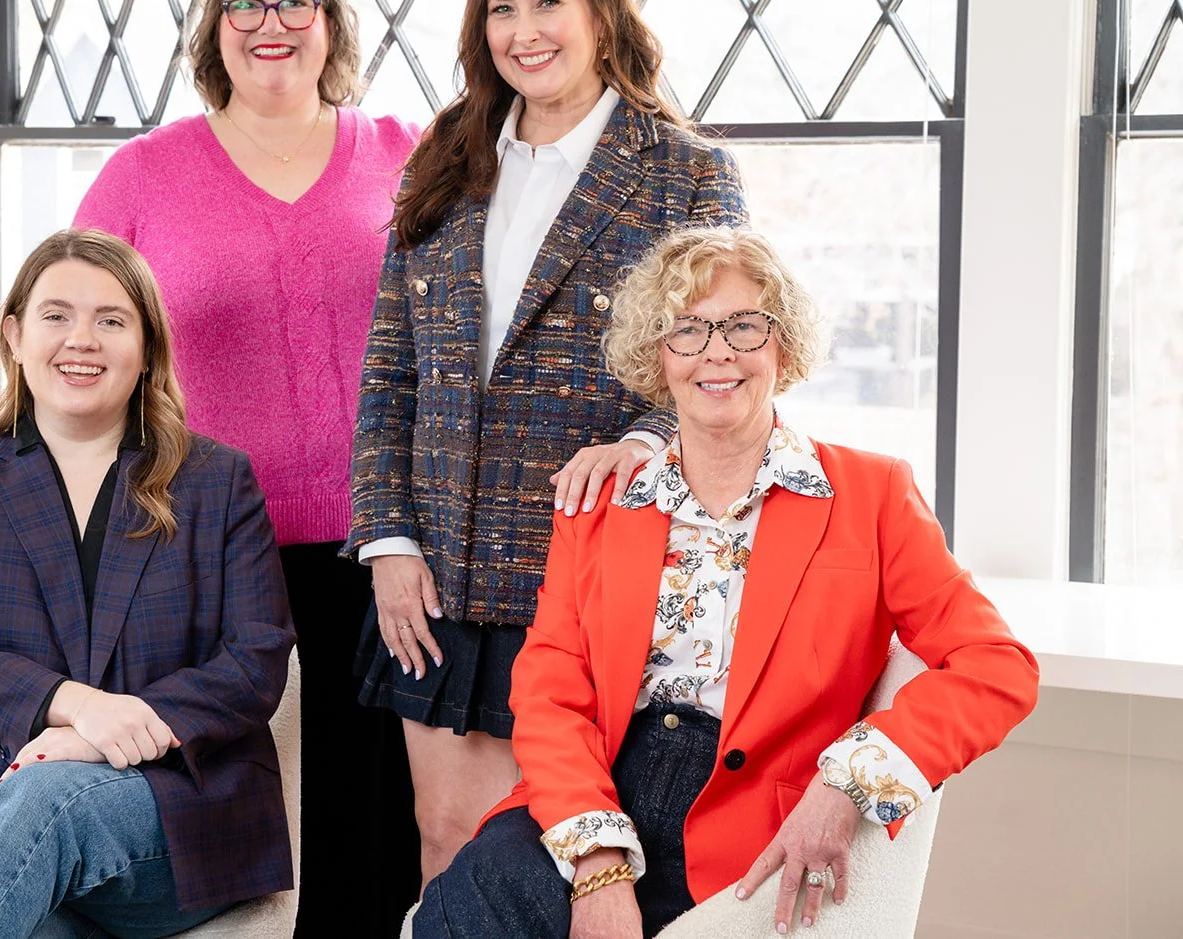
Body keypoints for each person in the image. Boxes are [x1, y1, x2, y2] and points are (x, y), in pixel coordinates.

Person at [414, 227, 1039, 937]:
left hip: (753, 820)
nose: (718, 351)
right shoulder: (599, 509)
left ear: (783, 343)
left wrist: (847, 782)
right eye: (687, 328)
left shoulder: (873, 493)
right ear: (659, 355)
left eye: (745, 325)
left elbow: (997, 667)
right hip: (597, 788)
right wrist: (598, 859)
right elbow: (549, 688)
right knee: (468, 914)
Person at [346, 0, 747, 889]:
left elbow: (726, 361)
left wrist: (648, 437)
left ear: (602, 15)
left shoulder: (687, 172)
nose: (523, 30)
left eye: (547, 3)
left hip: (586, 572)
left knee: (550, 859)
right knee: (443, 838)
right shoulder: (448, 154)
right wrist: (388, 543)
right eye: (500, 9)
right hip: (434, 578)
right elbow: (390, 371)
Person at [73, 0, 422, 936]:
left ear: (331, 25)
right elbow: (72, 331)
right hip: (205, 540)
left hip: (383, 543)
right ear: (213, 27)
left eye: (295, 4)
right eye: (246, 5)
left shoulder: (404, 150)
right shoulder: (144, 173)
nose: (271, 25)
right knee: (222, 797)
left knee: (375, 808)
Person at [0, 229, 295, 939]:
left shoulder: (217, 482)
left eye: (111, 320)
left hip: (172, 815)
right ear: (14, 334)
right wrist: (73, 705)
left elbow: (254, 663)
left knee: (47, 805)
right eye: (56, 315)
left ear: (146, 349)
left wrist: (97, 740)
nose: (83, 339)